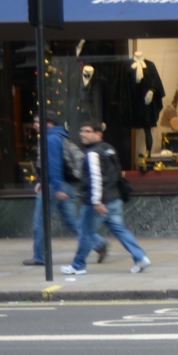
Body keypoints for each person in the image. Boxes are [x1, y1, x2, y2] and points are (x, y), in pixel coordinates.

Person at [66, 122, 151, 275]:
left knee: (85, 232)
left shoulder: (93, 153)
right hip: (114, 198)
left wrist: (96, 201)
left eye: (87, 131)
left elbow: (96, 178)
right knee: (120, 230)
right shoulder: (109, 149)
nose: (82, 134)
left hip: (98, 202)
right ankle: (140, 257)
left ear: (98, 134)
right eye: (81, 131)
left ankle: (78, 265)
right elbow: (117, 173)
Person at [25, 115, 104, 268]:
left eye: (37, 121)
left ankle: (39, 257)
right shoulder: (60, 136)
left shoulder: (50, 138)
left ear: (49, 122)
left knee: (40, 222)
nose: (34, 125)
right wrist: (42, 181)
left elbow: (54, 165)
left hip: (55, 186)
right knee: (72, 221)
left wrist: (56, 187)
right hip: (65, 185)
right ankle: (99, 243)